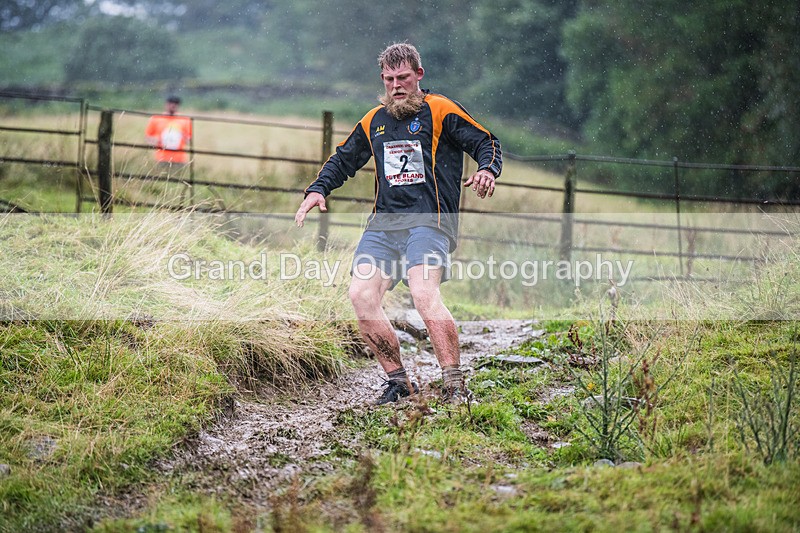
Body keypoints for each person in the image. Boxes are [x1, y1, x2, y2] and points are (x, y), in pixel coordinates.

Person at [295, 43, 501, 405]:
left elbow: (486, 141)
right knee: (361, 296)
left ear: (418, 75)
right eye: (389, 79)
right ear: (382, 80)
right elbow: (343, 160)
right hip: (384, 226)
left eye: (403, 77)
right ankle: (399, 382)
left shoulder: (440, 109)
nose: (396, 85)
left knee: (422, 293)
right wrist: (317, 189)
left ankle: (454, 384)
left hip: (430, 221)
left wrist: (487, 169)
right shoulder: (373, 120)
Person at [145, 95, 192, 167]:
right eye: (170, 103)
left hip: (179, 159)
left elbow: (189, 141)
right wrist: (158, 141)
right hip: (161, 158)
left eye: (176, 103)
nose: (173, 105)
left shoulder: (185, 120)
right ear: (166, 104)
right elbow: (147, 137)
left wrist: (181, 136)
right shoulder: (156, 119)